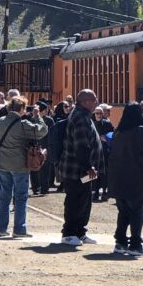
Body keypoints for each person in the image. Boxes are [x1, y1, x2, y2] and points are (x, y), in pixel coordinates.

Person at [108, 103, 143, 256]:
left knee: (123, 212)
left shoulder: (118, 132)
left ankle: (120, 242)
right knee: (137, 212)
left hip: (119, 179)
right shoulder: (141, 131)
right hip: (138, 179)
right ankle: (135, 244)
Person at [0, 96, 48, 238]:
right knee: (21, 196)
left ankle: (1, 228)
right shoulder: (23, 124)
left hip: (2, 164)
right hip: (19, 165)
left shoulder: (0, 121)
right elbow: (42, 131)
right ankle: (19, 228)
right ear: (22, 109)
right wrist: (37, 117)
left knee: (4, 196)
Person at [57, 89, 103, 247]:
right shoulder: (80, 117)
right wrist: (88, 166)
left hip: (84, 169)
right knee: (75, 200)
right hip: (77, 169)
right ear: (85, 101)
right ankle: (69, 233)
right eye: (93, 99)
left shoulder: (84, 115)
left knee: (85, 199)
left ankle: (80, 232)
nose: (96, 102)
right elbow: (81, 145)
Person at [30, 100, 55, 196]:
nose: (46, 111)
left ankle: (45, 188)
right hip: (34, 147)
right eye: (45, 110)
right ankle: (35, 187)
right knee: (34, 168)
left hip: (45, 146)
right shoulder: (32, 119)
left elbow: (52, 134)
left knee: (45, 168)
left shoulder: (49, 120)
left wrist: (49, 147)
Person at [92, 104, 114, 202]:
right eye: (97, 113)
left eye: (100, 113)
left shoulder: (107, 123)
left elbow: (113, 136)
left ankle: (105, 192)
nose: (99, 115)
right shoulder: (91, 123)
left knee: (105, 173)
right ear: (94, 114)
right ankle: (95, 192)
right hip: (94, 152)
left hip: (105, 152)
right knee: (95, 173)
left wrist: (106, 139)